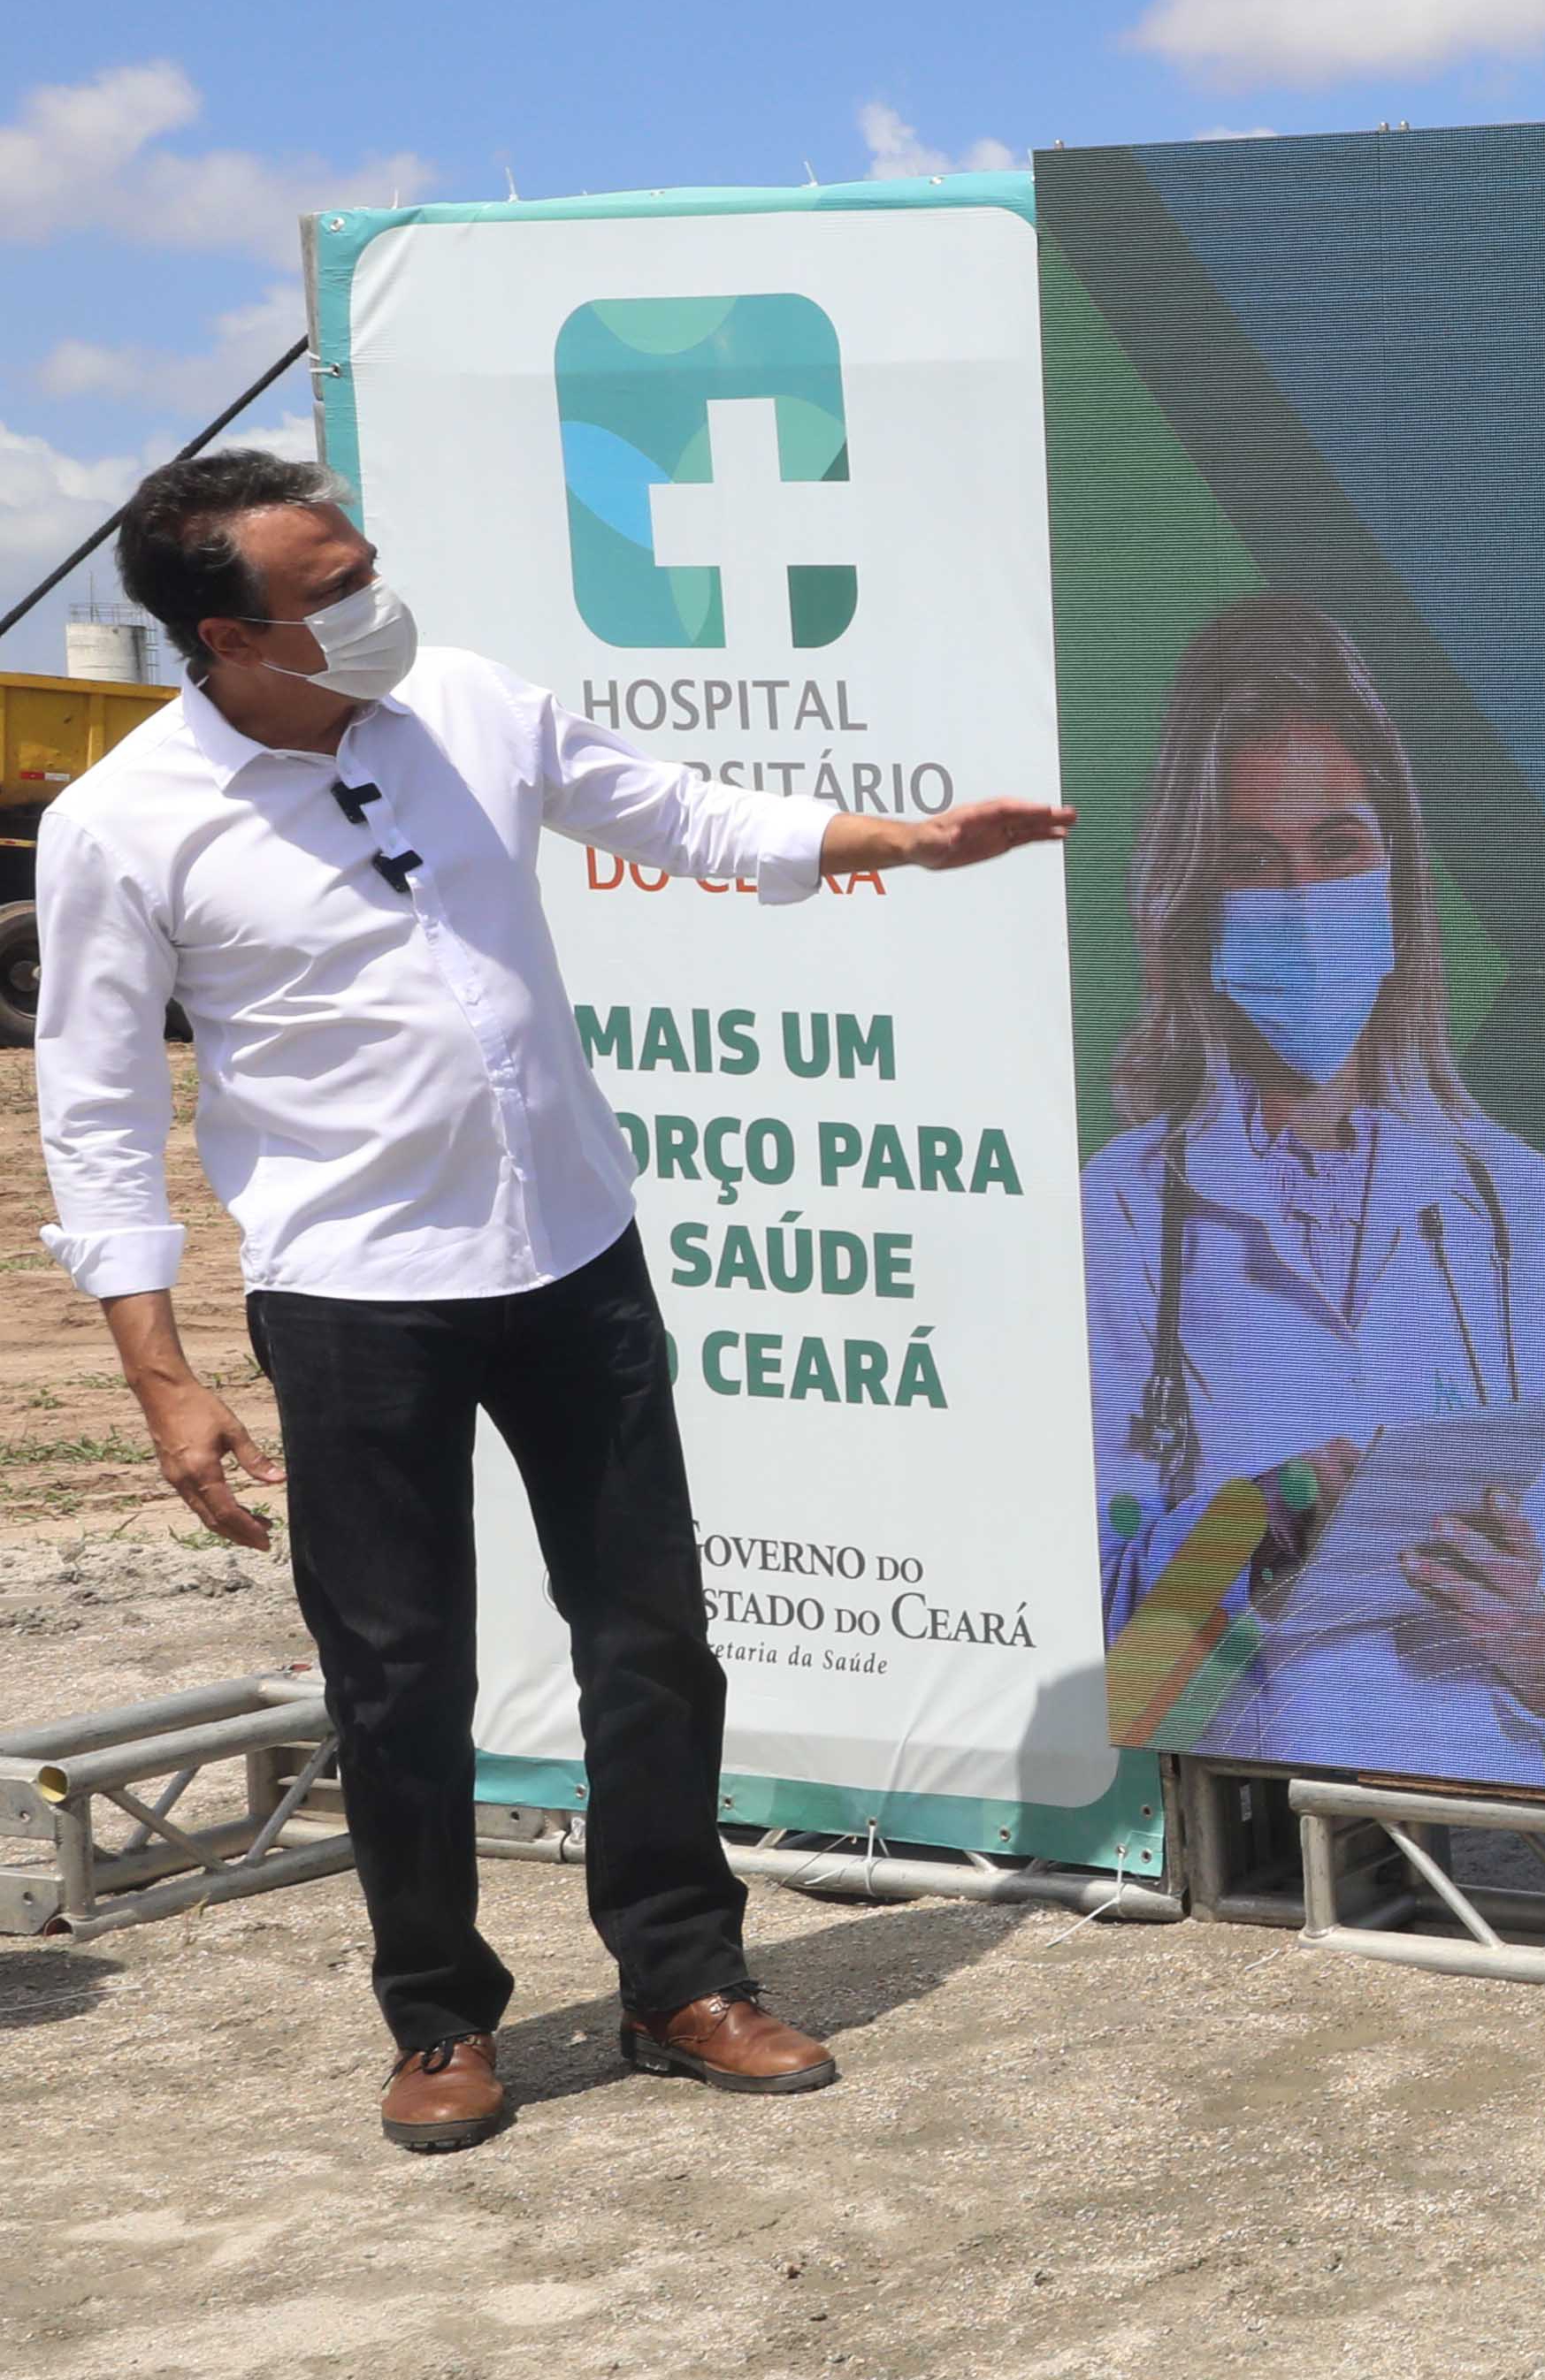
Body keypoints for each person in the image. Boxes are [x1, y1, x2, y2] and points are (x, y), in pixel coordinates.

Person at [29, 451, 1074, 2154]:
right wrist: (160, 1374)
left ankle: (684, 1977)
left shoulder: (465, 704)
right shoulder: (123, 822)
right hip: (356, 1294)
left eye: (373, 564)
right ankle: (437, 2015)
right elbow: (89, 1115)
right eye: (335, 588)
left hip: (572, 1255)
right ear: (230, 635)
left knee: (651, 1630)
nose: (379, 603)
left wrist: (902, 839)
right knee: (398, 1671)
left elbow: (675, 814)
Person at [1080, 594, 1545, 1780]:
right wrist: (1263, 1523)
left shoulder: (1506, 1199)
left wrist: (1522, 1629)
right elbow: (1112, 1669)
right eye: (1251, 861)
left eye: (1337, 848)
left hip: (1481, 1849)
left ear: (1397, 876)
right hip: (1244, 1842)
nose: (1303, 901)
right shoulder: (1123, 1211)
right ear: (1195, 905)